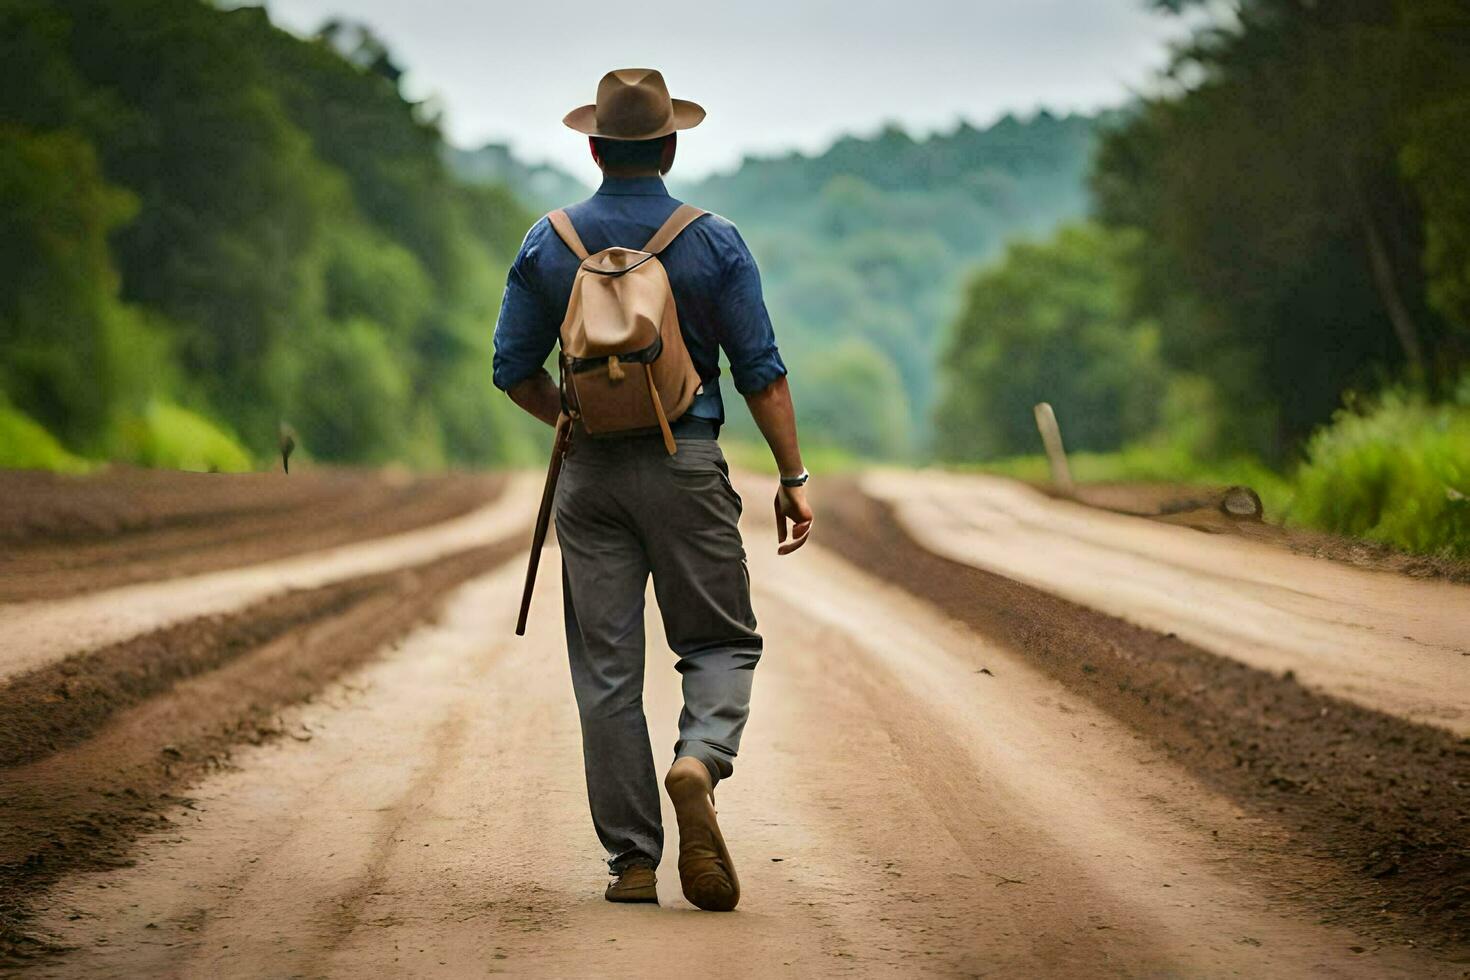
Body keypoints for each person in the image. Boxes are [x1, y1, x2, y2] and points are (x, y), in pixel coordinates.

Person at [492, 68, 813, 912]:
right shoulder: (715, 241)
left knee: (606, 673)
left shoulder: (546, 242)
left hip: (589, 473)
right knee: (719, 642)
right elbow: (762, 372)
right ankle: (699, 759)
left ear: (594, 147)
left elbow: (509, 370)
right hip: (688, 460)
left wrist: (574, 413)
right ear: (670, 145)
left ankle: (632, 863)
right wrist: (791, 476)